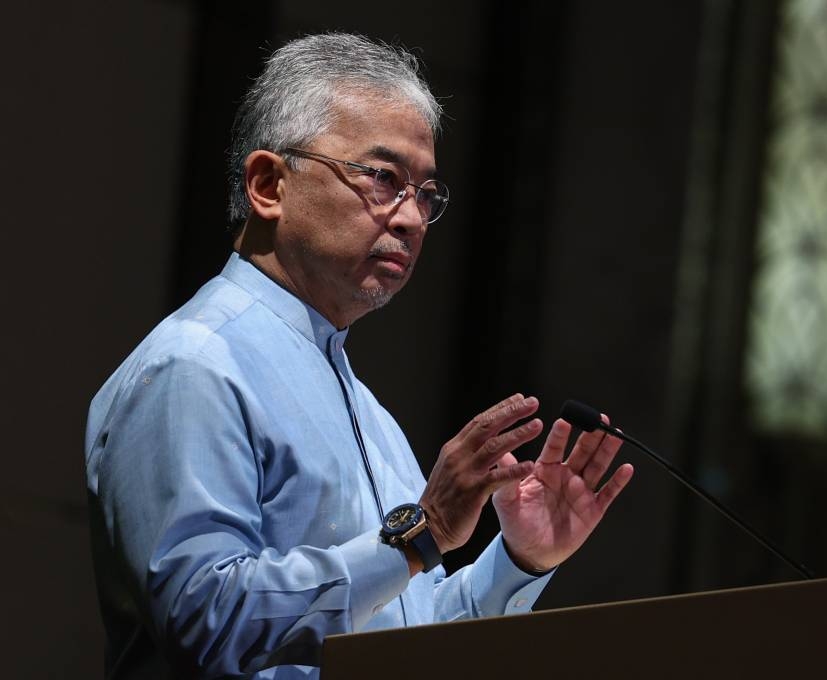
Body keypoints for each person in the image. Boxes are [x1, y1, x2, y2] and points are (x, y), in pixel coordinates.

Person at [85, 32, 633, 679]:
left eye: (426, 195)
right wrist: (419, 532)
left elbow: (400, 636)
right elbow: (206, 620)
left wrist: (518, 562)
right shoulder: (195, 365)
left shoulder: (365, 408)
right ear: (268, 184)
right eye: (382, 179)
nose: (409, 219)